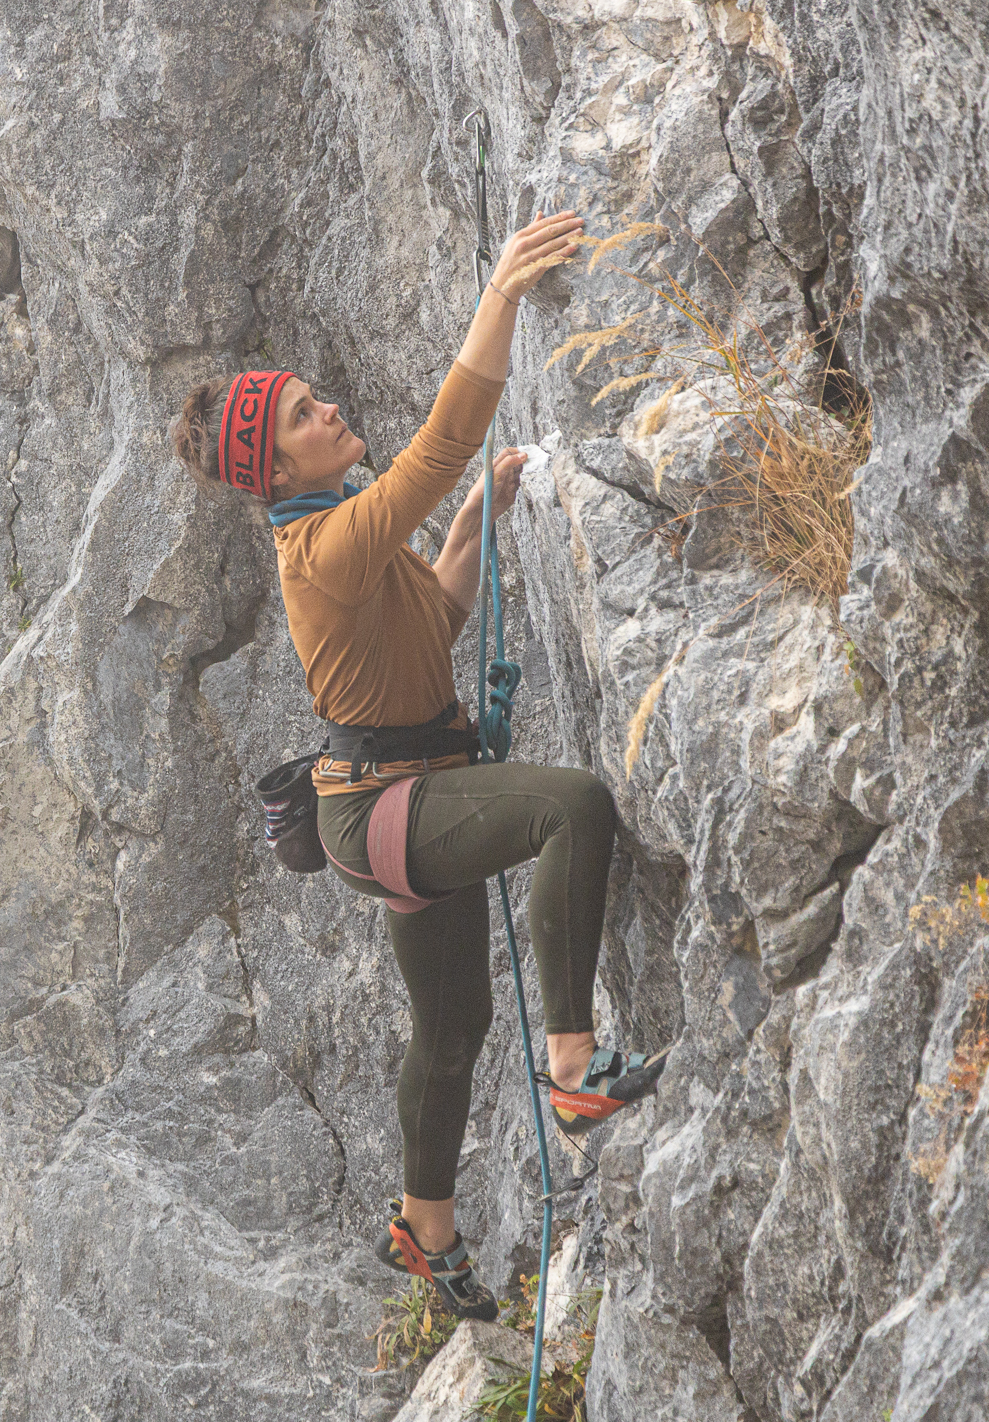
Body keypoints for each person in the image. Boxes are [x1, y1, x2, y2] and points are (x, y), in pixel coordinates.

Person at [167, 209, 665, 1322]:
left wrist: (475, 519)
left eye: (313, 395)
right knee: (572, 807)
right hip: (390, 805)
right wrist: (498, 295)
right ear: (274, 463)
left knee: (451, 1034)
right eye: (303, 413)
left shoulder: (339, 524)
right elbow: (438, 447)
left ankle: (423, 1226)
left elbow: (431, 621)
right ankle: (576, 1069)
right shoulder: (319, 545)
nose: (328, 408)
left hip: (379, 804)